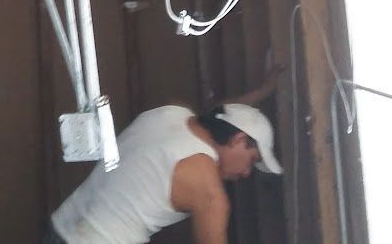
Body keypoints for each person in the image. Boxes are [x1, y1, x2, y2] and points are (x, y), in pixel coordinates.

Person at [44, 101, 282, 244]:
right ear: (239, 140)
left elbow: (224, 113)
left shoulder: (169, 114)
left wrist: (260, 92)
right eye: (252, 160)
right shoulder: (208, 190)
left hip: (60, 227)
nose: (246, 173)